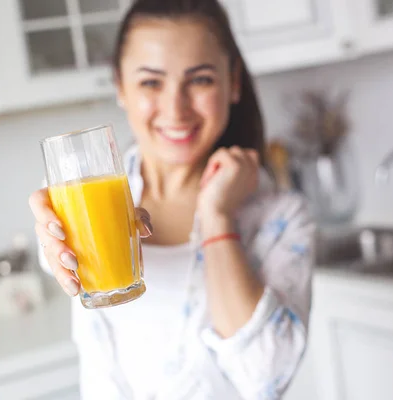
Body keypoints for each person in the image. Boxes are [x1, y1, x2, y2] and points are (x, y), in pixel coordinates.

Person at [29, 0, 316, 398]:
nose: (175, 109)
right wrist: (53, 242)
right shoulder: (78, 199)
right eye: (151, 82)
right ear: (120, 87)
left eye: (199, 80)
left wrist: (217, 216)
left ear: (233, 82)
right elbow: (58, 262)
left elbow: (265, 375)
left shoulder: (281, 218)